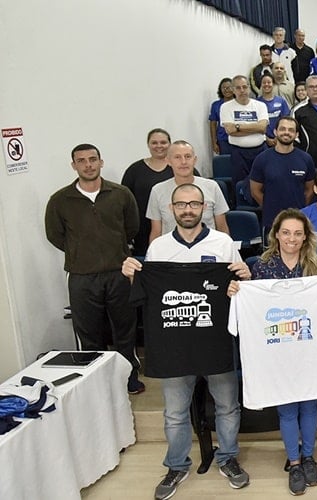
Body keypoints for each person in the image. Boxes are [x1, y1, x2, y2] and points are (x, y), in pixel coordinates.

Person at [121, 183, 252, 499]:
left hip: (216, 340)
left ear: (204, 207)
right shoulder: (159, 248)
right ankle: (176, 465)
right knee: (175, 412)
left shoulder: (223, 243)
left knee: (227, 406)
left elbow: (239, 288)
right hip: (174, 346)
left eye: (194, 204)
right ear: (171, 209)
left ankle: (228, 458)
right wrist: (133, 275)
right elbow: (146, 293)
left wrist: (244, 277)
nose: (188, 210)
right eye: (181, 204)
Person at [227, 209, 317, 495]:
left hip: (309, 351)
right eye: (286, 232)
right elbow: (253, 306)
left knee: (309, 406)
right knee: (286, 408)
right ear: (276, 235)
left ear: (306, 236)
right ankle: (294, 463)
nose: (291, 239)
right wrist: (238, 291)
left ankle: (308, 457)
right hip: (278, 353)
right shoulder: (262, 266)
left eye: (297, 233)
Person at [45, 143, 143, 394]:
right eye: (81, 161)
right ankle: (95, 382)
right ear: (74, 165)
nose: (88, 165)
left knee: (125, 329)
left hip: (119, 272)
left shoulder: (121, 194)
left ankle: (129, 376)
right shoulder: (60, 200)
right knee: (88, 333)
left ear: (101, 162)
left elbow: (132, 227)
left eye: (92, 159)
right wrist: (81, 253)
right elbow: (55, 235)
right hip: (81, 276)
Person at [146, 141, 230, 240]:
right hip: (171, 248)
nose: (183, 162)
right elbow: (156, 232)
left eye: (188, 156)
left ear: (195, 160)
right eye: (177, 157)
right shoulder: (157, 191)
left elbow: (222, 227)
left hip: (208, 247)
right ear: (168, 161)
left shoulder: (212, 187)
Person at [249, 116, 316, 235]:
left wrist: (300, 210)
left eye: (291, 130)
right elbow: (255, 191)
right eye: (282, 129)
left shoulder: (306, 159)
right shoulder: (262, 159)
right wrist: (269, 207)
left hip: (298, 221)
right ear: (275, 132)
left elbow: (310, 190)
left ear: (296, 134)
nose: (286, 132)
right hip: (271, 222)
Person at [123, 128, 174, 257]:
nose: (159, 146)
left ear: (170, 144)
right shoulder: (134, 170)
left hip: (174, 225)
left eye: (163, 142)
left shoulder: (180, 167)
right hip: (142, 229)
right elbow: (125, 202)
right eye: (154, 142)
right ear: (148, 145)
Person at [220, 75, 268, 184]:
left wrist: (237, 126)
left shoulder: (260, 105)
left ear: (249, 88)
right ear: (233, 90)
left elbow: (262, 128)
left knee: (263, 183)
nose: (242, 90)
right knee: (240, 185)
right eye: (238, 88)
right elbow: (230, 130)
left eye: (245, 87)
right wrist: (255, 127)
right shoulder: (226, 107)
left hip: (260, 151)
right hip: (238, 153)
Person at [256, 73, 291, 147]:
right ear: (261, 85)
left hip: (280, 139)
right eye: (264, 82)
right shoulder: (256, 103)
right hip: (262, 141)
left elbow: (286, 121)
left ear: (273, 84)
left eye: (269, 82)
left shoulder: (281, 101)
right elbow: (255, 123)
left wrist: (278, 137)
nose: (266, 84)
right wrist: (266, 138)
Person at [209, 78, 234, 155]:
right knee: (225, 160)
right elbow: (213, 124)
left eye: (229, 87)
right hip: (223, 139)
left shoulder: (239, 103)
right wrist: (214, 143)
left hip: (238, 138)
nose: (226, 90)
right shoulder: (216, 105)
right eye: (224, 88)